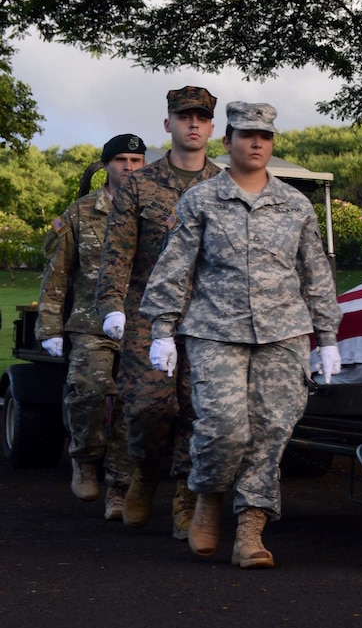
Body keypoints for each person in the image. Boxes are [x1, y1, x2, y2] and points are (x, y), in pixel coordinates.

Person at [140, 102, 342, 569]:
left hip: (284, 332)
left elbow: (316, 273)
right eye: (247, 134)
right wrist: (162, 331)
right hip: (215, 330)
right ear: (226, 140)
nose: (257, 143)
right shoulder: (201, 200)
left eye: (265, 136)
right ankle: (208, 497)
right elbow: (174, 268)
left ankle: (250, 528)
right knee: (223, 428)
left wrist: (328, 337)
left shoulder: (295, 204)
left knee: (272, 430)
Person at [97, 85, 222, 536]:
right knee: (149, 406)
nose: (193, 124)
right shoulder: (138, 185)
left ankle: (186, 499)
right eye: (184, 116)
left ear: (212, 127)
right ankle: (145, 471)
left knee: (199, 408)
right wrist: (112, 307)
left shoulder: (225, 185)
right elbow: (117, 255)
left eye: (201, 118)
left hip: (208, 315)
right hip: (147, 312)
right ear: (168, 124)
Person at [36, 134, 146, 520]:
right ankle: (84, 458)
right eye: (121, 160)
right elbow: (57, 274)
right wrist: (49, 329)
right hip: (91, 323)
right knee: (89, 390)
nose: (129, 168)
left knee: (135, 408)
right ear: (105, 166)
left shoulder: (156, 211)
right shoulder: (82, 211)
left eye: (136, 160)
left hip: (142, 326)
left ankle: (118, 486)